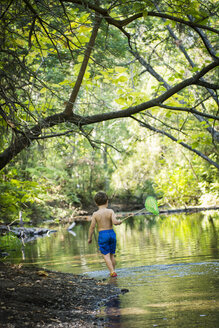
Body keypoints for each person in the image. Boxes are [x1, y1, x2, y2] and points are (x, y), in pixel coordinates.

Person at [88, 191, 122, 277]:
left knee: (106, 255)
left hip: (103, 235)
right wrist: (119, 222)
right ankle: (113, 270)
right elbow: (115, 222)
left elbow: (92, 227)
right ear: (107, 201)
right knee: (111, 255)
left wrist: (90, 238)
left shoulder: (95, 214)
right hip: (111, 234)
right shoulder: (110, 211)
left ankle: (112, 272)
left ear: (96, 203)